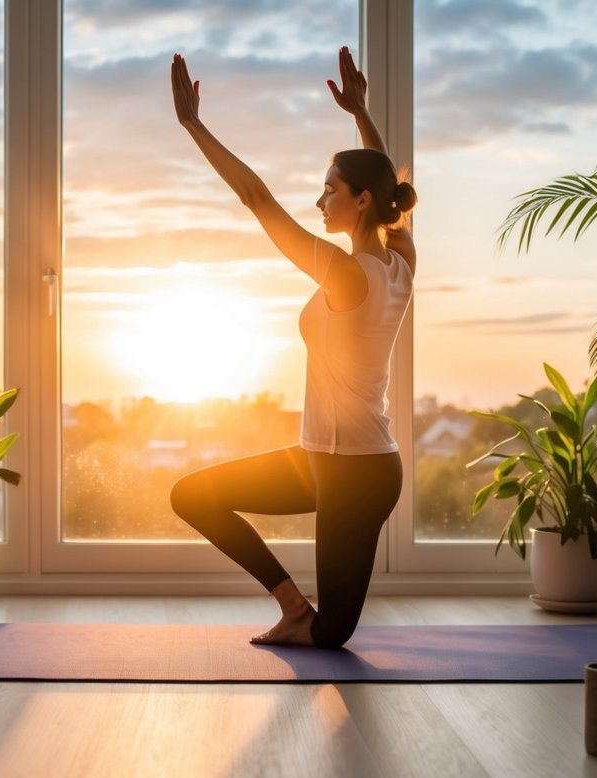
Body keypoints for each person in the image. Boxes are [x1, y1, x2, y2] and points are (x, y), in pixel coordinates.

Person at [168, 46, 417, 649]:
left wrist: (194, 125)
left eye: (328, 189)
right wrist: (360, 113)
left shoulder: (343, 272)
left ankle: (310, 618)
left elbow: (257, 199)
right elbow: (387, 185)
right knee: (193, 495)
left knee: (333, 638)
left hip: (355, 472)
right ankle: (290, 605)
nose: (318, 201)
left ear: (359, 200)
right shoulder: (403, 261)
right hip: (322, 460)